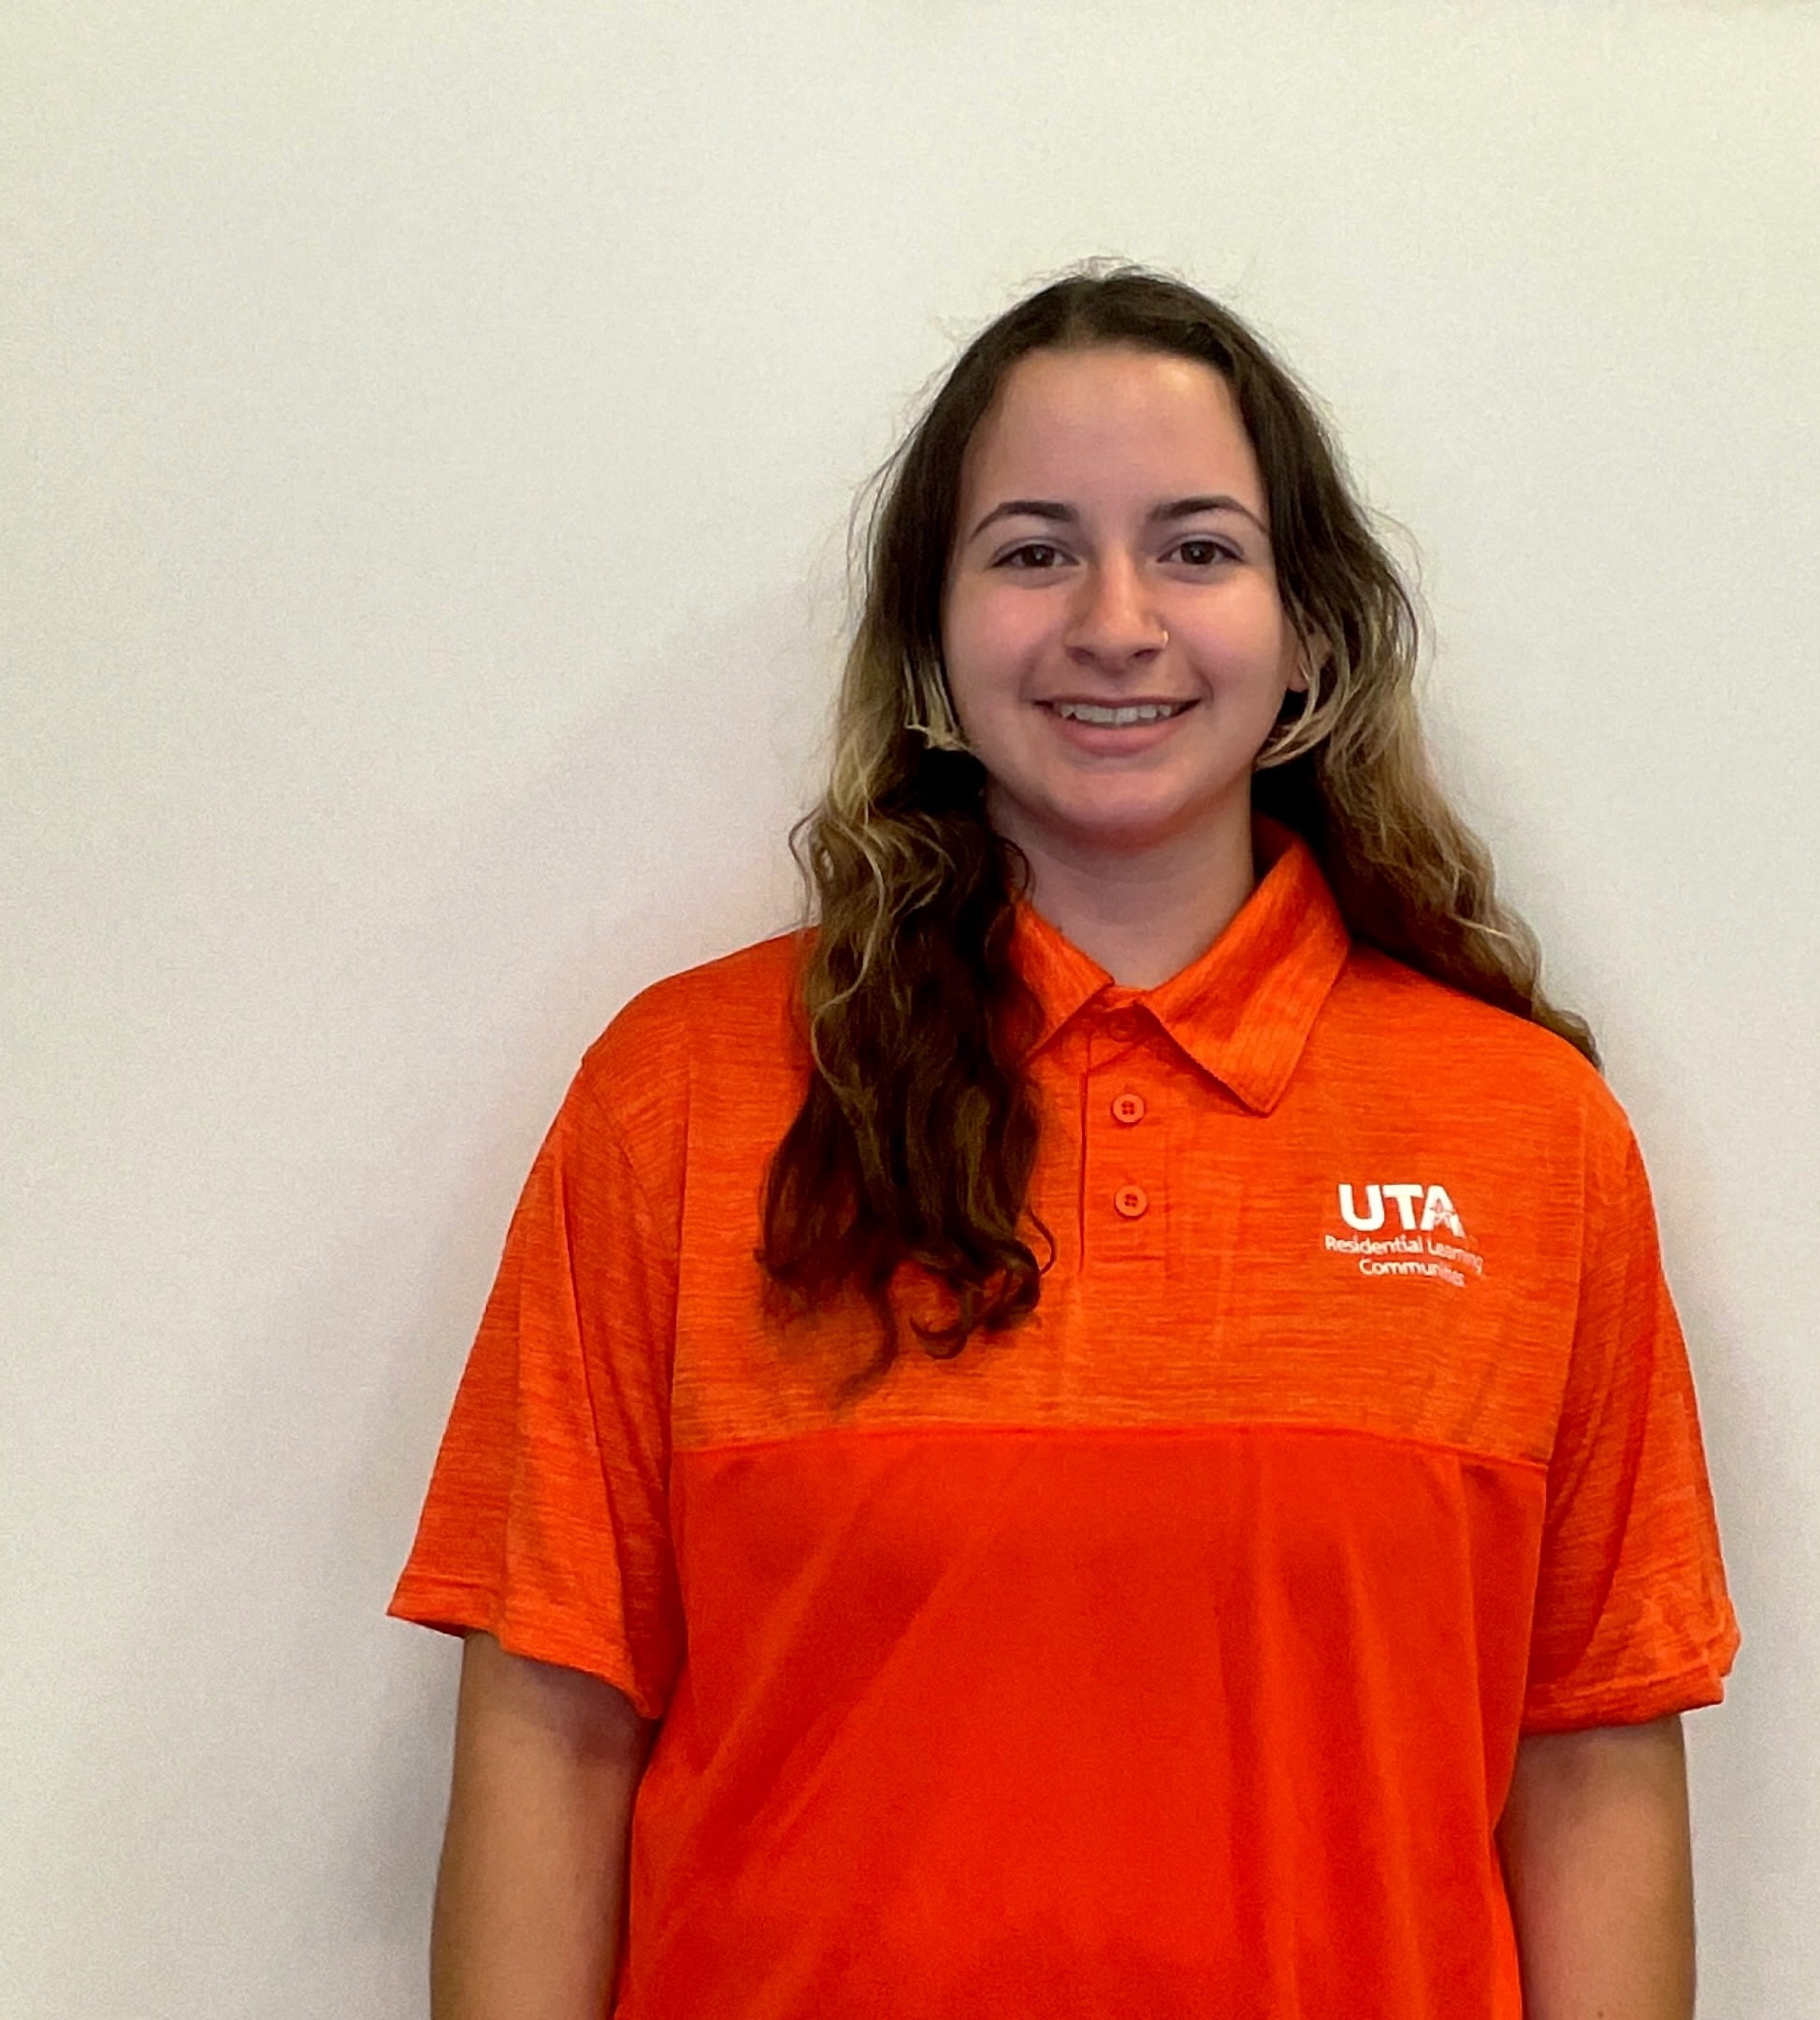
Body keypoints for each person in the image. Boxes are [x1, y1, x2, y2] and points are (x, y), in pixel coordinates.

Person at [389, 263, 1740, 2020]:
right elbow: (550, 1730)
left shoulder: (1529, 1135)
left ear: (1310, 631)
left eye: (1198, 549)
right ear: (931, 637)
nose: (1117, 621)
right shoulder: (686, 1096)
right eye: (1032, 551)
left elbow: (1591, 1757)